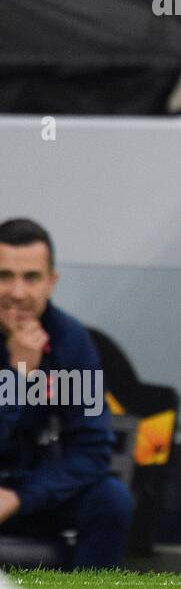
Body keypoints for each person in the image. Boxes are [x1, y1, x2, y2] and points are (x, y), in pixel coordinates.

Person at [0, 218, 134, 569]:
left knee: (111, 499)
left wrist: (21, 497)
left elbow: (91, 451)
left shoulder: (71, 341)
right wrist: (17, 376)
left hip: (33, 493)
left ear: (51, 282)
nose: (17, 292)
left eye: (31, 277)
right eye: (4, 276)